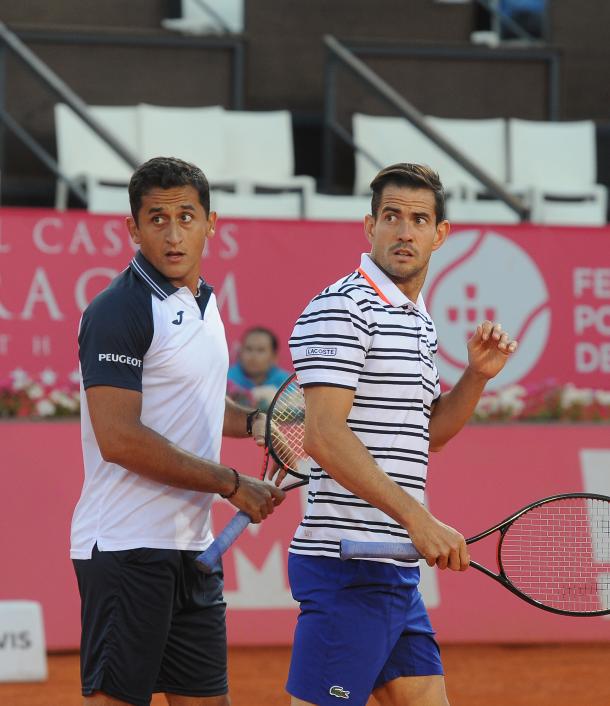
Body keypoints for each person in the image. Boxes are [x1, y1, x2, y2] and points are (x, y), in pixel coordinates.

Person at [280, 163, 518, 706]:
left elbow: (426, 433)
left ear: (440, 234)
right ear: (369, 226)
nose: (404, 232)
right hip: (347, 566)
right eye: (392, 217)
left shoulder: (417, 318)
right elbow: (321, 435)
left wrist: (476, 376)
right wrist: (419, 519)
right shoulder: (343, 308)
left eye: (418, 219)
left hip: (393, 568)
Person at [70, 156, 285, 706]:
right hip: (125, 548)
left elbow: (205, 403)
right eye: (157, 218)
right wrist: (232, 483)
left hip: (192, 551)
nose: (172, 233)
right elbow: (119, 438)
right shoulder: (118, 310)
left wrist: (258, 424)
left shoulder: (204, 304)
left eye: (186, 217)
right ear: (133, 228)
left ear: (212, 223)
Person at [227, 327, 291, 411]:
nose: (253, 356)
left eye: (260, 350)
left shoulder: (287, 383)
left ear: (274, 357)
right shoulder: (226, 379)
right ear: (240, 353)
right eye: (248, 349)